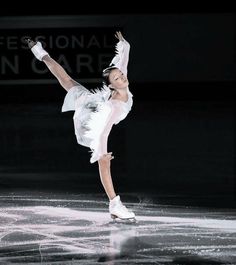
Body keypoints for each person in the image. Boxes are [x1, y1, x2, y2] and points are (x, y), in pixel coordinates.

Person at [26, 31, 135, 221]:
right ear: (111, 86)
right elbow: (102, 133)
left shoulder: (120, 79)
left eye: (120, 75)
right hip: (91, 116)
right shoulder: (115, 106)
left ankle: (39, 52)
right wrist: (101, 153)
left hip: (93, 101)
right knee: (104, 162)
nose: (122, 78)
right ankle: (115, 204)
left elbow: (121, 62)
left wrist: (124, 45)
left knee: (68, 81)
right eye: (117, 79)